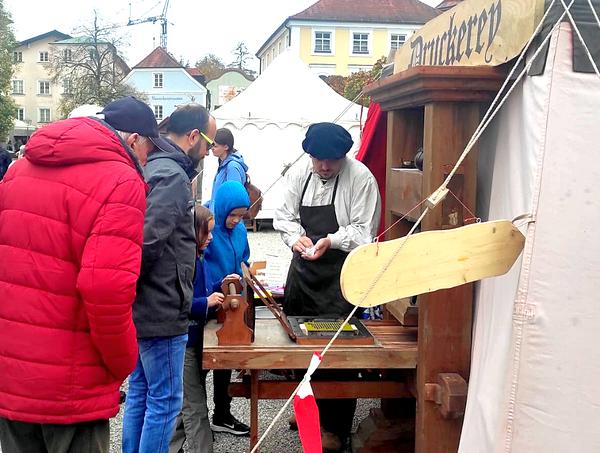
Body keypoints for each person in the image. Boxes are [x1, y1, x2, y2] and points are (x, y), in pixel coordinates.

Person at [0, 96, 158, 453]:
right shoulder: (121, 181)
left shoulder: (18, 170)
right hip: (70, 382)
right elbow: (106, 288)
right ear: (133, 140)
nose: (148, 160)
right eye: (149, 148)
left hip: (13, 374)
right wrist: (122, 361)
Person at [273, 122, 381, 451]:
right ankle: (308, 410)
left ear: (343, 156)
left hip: (341, 273)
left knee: (337, 352)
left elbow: (364, 230)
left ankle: (335, 427)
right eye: (318, 159)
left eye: (331, 160)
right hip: (304, 273)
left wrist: (331, 240)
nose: (323, 166)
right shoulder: (299, 174)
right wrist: (295, 239)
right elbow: (284, 216)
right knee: (298, 344)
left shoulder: (360, 178)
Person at [122, 103, 217, 453]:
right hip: (161, 308)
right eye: (208, 143)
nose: (208, 151)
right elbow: (146, 242)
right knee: (164, 402)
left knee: (142, 393)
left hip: (146, 304)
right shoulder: (174, 175)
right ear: (193, 136)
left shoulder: (154, 166)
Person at [169, 205, 222, 453]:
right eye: (206, 233)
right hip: (184, 342)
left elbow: (205, 288)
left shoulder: (199, 257)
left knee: (187, 400)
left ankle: (169, 446)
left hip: (196, 339)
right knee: (196, 406)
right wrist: (206, 303)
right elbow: (177, 301)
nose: (211, 237)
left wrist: (221, 286)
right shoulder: (182, 261)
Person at [204, 180, 251, 436]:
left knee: (224, 360)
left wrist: (245, 277)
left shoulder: (241, 230)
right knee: (201, 364)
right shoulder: (209, 229)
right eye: (232, 215)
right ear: (222, 210)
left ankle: (222, 413)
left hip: (231, 305)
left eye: (241, 216)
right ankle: (197, 420)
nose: (235, 220)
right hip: (209, 302)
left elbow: (244, 258)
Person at [205, 128, 248, 210]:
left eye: (215, 145)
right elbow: (217, 197)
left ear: (226, 147)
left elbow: (234, 198)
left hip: (224, 220)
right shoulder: (223, 165)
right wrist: (205, 207)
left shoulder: (232, 167)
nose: (211, 148)